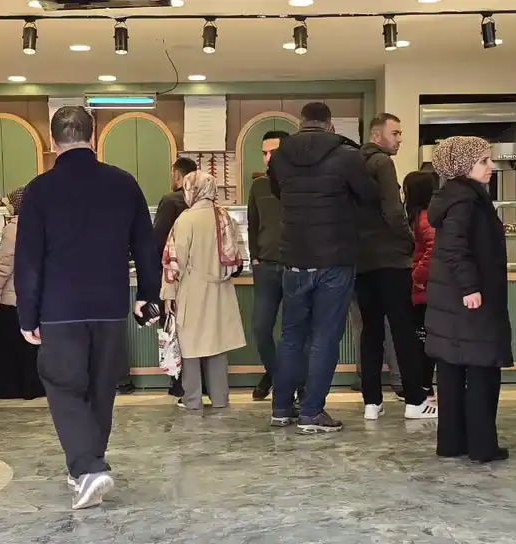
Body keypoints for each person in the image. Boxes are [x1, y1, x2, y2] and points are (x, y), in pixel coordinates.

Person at [15, 106, 161, 510]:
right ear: (93, 137)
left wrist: (27, 314)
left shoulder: (39, 190)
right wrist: (148, 294)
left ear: (52, 142)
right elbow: (145, 245)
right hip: (109, 304)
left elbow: (28, 260)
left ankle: (89, 468)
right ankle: (86, 467)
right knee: (100, 387)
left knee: (63, 386)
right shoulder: (123, 183)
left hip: (59, 307)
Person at [268, 102, 379, 434]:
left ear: (302, 123)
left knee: (291, 336)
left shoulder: (280, 155)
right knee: (325, 337)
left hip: (293, 257)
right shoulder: (347, 155)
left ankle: (281, 409)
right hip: (335, 258)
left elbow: (277, 192)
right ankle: (311, 412)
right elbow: (369, 195)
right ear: (330, 125)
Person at [425, 136, 511, 463]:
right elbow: (455, 247)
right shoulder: (466, 200)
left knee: (451, 368)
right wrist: (470, 287)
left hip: (450, 299)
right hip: (470, 298)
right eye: (483, 161)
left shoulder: (453, 197)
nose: (491, 166)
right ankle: (482, 446)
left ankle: (452, 442)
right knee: (481, 368)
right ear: (463, 166)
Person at [356, 114, 437, 421]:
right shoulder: (383, 164)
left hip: (362, 262)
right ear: (377, 136)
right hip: (390, 260)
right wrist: (408, 240)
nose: (400, 138)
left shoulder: (353, 163)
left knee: (370, 332)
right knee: (403, 331)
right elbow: (393, 210)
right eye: (396, 133)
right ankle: (415, 401)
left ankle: (372, 402)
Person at [161, 171, 246, 411]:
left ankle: (193, 399)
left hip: (193, 290)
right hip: (221, 291)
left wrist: (169, 293)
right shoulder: (224, 216)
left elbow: (175, 262)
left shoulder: (186, 219)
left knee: (190, 347)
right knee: (217, 345)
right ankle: (220, 398)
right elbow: (237, 257)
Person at [0, 188, 45, 400]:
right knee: (32, 349)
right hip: (38, 298)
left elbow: (4, 265)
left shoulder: (15, 228)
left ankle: (8, 390)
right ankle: (34, 388)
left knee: (8, 348)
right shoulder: (44, 223)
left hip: (13, 298)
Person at [248, 130, 288, 401]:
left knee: (293, 332)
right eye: (264, 153)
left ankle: (290, 383)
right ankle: (275, 374)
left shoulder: (299, 185)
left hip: (295, 267)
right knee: (261, 327)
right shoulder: (259, 186)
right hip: (265, 266)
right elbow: (252, 224)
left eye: (273, 152)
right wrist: (255, 256)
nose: (268, 158)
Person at [153, 156, 198, 399]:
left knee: (174, 330)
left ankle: (179, 382)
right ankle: (200, 382)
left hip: (174, 277)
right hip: (199, 278)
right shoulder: (203, 201)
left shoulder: (170, 201)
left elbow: (158, 239)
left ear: (178, 175)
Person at [404, 171, 440, 398]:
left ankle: (424, 386)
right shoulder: (423, 217)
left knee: (422, 339)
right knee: (422, 339)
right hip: (423, 290)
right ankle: (424, 385)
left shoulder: (423, 219)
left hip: (423, 290)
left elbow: (432, 250)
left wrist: (417, 277)